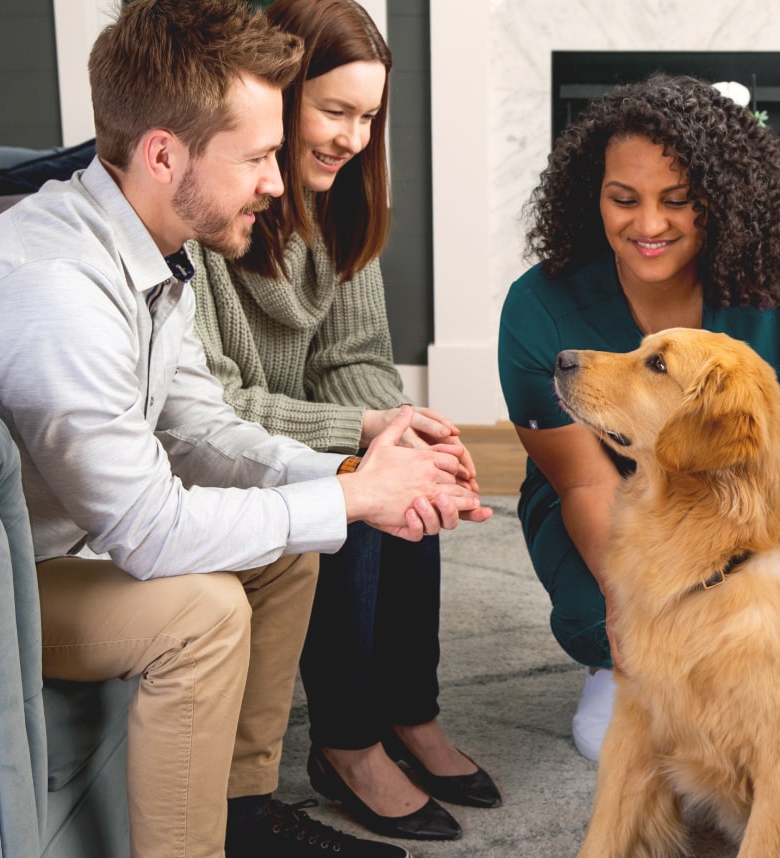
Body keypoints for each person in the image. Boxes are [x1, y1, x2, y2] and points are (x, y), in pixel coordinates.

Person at [0, 1, 488, 856]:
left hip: (60, 542)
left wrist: (346, 480)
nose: (274, 179)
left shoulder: (150, 251)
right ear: (162, 154)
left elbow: (200, 427)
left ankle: (244, 813)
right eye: (258, 155)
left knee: (290, 546)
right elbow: (148, 532)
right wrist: (354, 493)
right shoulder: (58, 291)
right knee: (203, 612)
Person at [187, 0, 499, 844]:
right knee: (360, 483)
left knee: (407, 453)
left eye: (368, 117)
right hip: (216, 451)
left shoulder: (339, 204)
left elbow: (358, 358)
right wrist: (358, 437)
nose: (353, 138)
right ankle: (347, 741)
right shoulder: (204, 215)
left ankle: (410, 713)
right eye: (334, 111)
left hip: (290, 426)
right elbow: (205, 411)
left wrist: (395, 422)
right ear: (277, 97)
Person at [498, 73, 780, 761]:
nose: (648, 225)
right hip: (613, 493)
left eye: (677, 202)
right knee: (600, 616)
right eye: (623, 199)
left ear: (722, 203)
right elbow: (588, 485)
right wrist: (630, 609)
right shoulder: (537, 309)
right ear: (591, 194)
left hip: (736, 501)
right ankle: (613, 668)